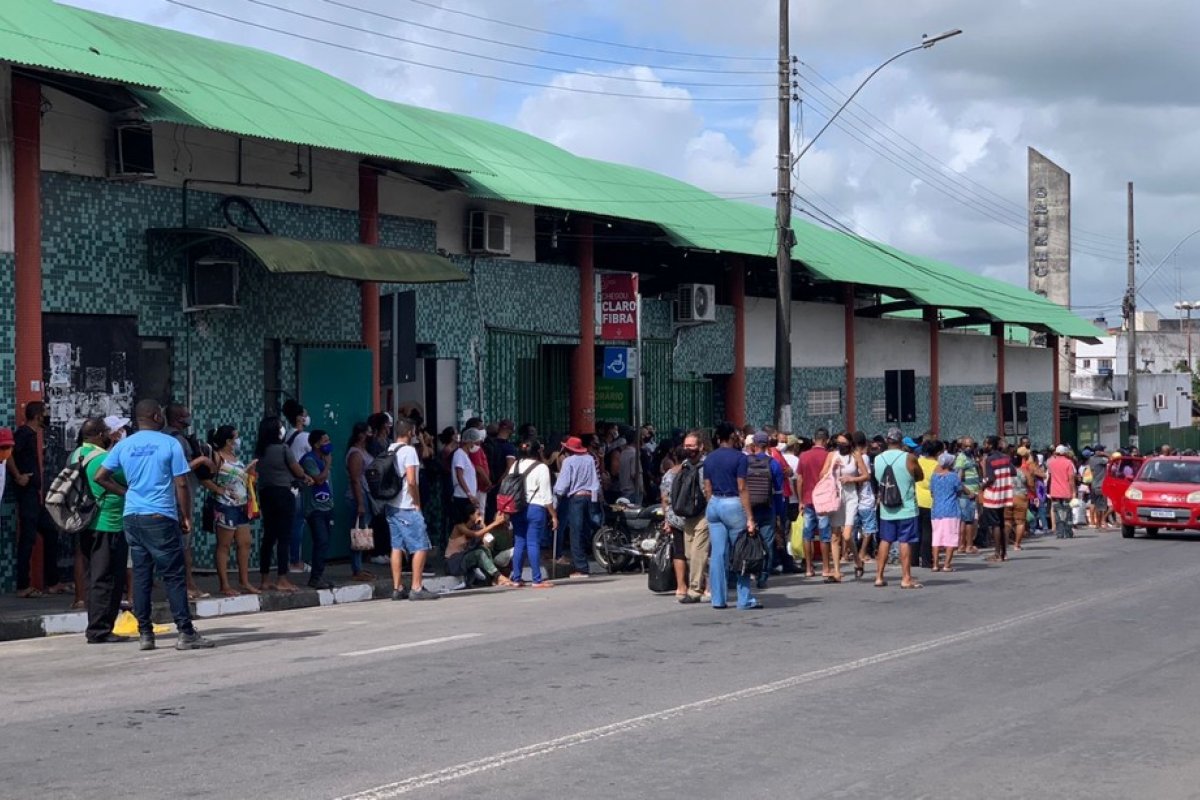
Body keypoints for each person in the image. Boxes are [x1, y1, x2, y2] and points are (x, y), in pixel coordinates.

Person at [94, 400, 214, 651]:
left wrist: (126, 492)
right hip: (160, 516)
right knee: (173, 576)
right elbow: (181, 484)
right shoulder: (169, 443)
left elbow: (100, 477)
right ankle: (185, 632)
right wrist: (186, 516)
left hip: (132, 517)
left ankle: (145, 634)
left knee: (141, 575)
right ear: (156, 416)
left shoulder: (124, 445)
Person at [71, 418, 129, 643]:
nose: (109, 435)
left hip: (87, 523)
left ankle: (96, 626)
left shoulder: (77, 454)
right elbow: (128, 478)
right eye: (106, 432)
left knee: (94, 575)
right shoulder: (104, 459)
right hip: (109, 523)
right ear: (97, 435)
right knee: (107, 578)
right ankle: (100, 630)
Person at [9, 401, 65, 597]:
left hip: (34, 496)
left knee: (50, 532)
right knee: (28, 539)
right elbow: (8, 454)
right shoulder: (24, 434)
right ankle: (23, 586)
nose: (47, 416)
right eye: (45, 412)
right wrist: (18, 476)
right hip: (26, 496)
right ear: (37, 415)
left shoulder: (31, 435)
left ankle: (53, 582)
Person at [703, 422, 762, 610]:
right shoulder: (740, 458)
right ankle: (744, 599)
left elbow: (707, 487)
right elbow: (742, 487)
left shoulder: (709, 459)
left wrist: (712, 503)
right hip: (733, 504)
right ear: (731, 437)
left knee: (718, 554)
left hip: (714, 504)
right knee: (741, 552)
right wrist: (750, 517)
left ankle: (718, 599)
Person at [253, 416, 310, 593]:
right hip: (284, 493)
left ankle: (264, 579)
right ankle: (282, 578)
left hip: (266, 494)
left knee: (269, 536)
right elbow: (297, 469)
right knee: (284, 536)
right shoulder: (283, 449)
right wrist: (304, 476)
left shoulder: (260, 451)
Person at [386, 418, 439, 601]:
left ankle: (397, 587)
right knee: (421, 546)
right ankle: (416, 587)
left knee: (397, 546)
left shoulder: (390, 449)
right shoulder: (409, 451)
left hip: (391, 506)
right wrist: (417, 504)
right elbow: (411, 481)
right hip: (407, 506)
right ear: (410, 432)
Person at [204, 425, 259, 597]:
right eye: (236, 437)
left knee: (245, 542)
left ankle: (244, 581)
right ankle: (224, 584)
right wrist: (218, 489)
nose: (238, 440)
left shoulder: (235, 457)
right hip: (224, 505)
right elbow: (204, 478)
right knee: (224, 545)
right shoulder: (217, 457)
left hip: (241, 504)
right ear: (228, 441)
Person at [872, 427, 923, 590]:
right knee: (904, 541)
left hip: (886, 508)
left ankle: (879, 576)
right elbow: (919, 476)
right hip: (906, 507)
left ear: (887, 441)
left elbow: (877, 479)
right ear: (901, 441)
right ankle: (906, 578)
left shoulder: (878, 459)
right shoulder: (909, 457)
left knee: (885, 540)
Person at [506, 438, 557, 588]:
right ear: (537, 451)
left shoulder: (515, 465)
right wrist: (553, 515)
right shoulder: (541, 468)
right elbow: (546, 495)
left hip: (517, 508)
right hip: (535, 508)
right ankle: (536, 579)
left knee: (519, 542)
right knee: (533, 542)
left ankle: (516, 578)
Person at [818, 431, 868, 582]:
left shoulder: (856, 456)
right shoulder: (832, 455)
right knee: (835, 535)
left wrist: (852, 478)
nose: (840, 447)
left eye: (844, 444)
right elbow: (821, 475)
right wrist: (832, 469)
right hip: (836, 496)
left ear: (850, 444)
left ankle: (858, 561)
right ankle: (837, 572)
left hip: (851, 496)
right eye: (838, 443)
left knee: (846, 535)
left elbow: (866, 476)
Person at [554, 435, 599, 579]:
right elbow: (595, 479)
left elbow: (563, 483)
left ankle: (581, 567)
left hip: (576, 498)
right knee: (586, 530)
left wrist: (557, 492)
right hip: (590, 496)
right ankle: (586, 561)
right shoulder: (590, 459)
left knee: (575, 532)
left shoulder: (568, 461)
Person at [745, 432, 784, 589]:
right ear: (767, 445)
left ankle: (746, 571)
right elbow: (778, 491)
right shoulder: (773, 464)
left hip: (749, 509)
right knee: (767, 543)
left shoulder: (745, 462)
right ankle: (763, 576)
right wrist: (780, 513)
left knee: (747, 541)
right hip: (768, 508)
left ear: (753, 445)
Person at [299, 429, 336, 590]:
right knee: (320, 541)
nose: (328, 444)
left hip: (327, 506)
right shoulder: (309, 460)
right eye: (325, 441)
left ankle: (319, 575)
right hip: (315, 508)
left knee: (325, 542)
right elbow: (319, 480)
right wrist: (328, 464)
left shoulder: (322, 459)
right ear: (316, 444)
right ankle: (315, 577)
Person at [445, 507, 514, 588]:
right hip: (452, 562)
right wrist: (495, 523)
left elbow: (487, 537)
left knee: (484, 549)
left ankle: (493, 578)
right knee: (479, 553)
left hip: (463, 560)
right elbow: (475, 534)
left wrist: (482, 524)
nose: (480, 516)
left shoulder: (475, 527)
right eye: (478, 514)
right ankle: (499, 576)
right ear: (470, 516)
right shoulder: (459, 527)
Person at [797, 427, 832, 578]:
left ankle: (809, 568)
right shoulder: (828, 456)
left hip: (807, 498)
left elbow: (799, 479)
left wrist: (800, 500)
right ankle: (825, 567)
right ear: (826, 440)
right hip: (823, 501)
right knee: (824, 534)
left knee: (807, 534)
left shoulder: (804, 456)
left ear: (814, 439)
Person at [282, 399, 312, 574]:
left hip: (285, 485)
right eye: (305, 415)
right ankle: (295, 561)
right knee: (297, 524)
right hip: (296, 485)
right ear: (300, 418)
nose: (307, 418)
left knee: (288, 524)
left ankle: (289, 559)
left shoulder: (286, 435)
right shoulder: (304, 438)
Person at [343, 422, 375, 582]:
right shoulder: (355, 454)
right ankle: (356, 569)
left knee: (362, 532)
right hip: (358, 496)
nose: (371, 435)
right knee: (358, 534)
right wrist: (360, 503)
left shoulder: (363, 451)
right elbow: (355, 479)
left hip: (365, 494)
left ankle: (359, 567)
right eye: (368, 432)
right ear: (361, 435)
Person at [980, 435, 1015, 563]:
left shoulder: (989, 460)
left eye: (985, 444)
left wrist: (982, 486)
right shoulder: (1005, 458)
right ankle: (1004, 553)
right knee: (1001, 523)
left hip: (993, 495)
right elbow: (1013, 471)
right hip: (1004, 494)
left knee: (995, 525)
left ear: (990, 445)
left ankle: (997, 554)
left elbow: (990, 479)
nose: (984, 446)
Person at [930, 452, 964, 572]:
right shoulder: (953, 476)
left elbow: (932, 493)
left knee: (936, 537)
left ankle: (935, 564)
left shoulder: (934, 477)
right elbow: (959, 491)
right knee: (951, 537)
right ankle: (947, 565)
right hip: (951, 510)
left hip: (936, 511)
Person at [914, 440, 942, 569]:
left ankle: (913, 559)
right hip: (930, 501)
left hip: (915, 499)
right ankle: (926, 560)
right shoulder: (937, 465)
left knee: (916, 530)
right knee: (927, 532)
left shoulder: (918, 461)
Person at [853, 431, 879, 565]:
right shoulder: (865, 458)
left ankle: (847, 553)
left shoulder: (850, 457)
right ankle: (862, 552)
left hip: (853, 499)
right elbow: (865, 477)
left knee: (853, 528)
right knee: (868, 528)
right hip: (865, 498)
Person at [954, 437, 982, 554]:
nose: (968, 448)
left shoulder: (971, 458)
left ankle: (963, 545)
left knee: (966, 520)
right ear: (961, 447)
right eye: (966, 446)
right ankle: (967, 545)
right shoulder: (961, 458)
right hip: (966, 495)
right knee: (968, 520)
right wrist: (968, 492)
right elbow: (958, 479)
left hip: (973, 492)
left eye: (970, 446)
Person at [451, 426, 482, 522]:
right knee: (464, 524)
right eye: (476, 443)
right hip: (463, 496)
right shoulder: (459, 454)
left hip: (468, 496)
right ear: (470, 442)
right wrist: (469, 494)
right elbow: (459, 476)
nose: (478, 446)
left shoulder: (466, 456)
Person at [1046, 445, 1077, 539]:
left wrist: (1049, 490)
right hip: (1066, 491)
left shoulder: (1051, 463)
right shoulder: (1068, 463)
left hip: (1054, 491)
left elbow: (1049, 478)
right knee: (1068, 512)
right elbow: (1071, 479)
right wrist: (1074, 491)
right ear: (1065, 453)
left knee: (1057, 512)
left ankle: (1059, 533)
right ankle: (1068, 532)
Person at [1087, 445, 1109, 528]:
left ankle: (1097, 523)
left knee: (1096, 505)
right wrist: (1106, 454)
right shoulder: (1102, 460)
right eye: (1102, 450)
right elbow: (1111, 459)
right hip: (1101, 485)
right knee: (1102, 506)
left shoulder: (1091, 459)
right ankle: (1099, 524)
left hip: (1094, 484)